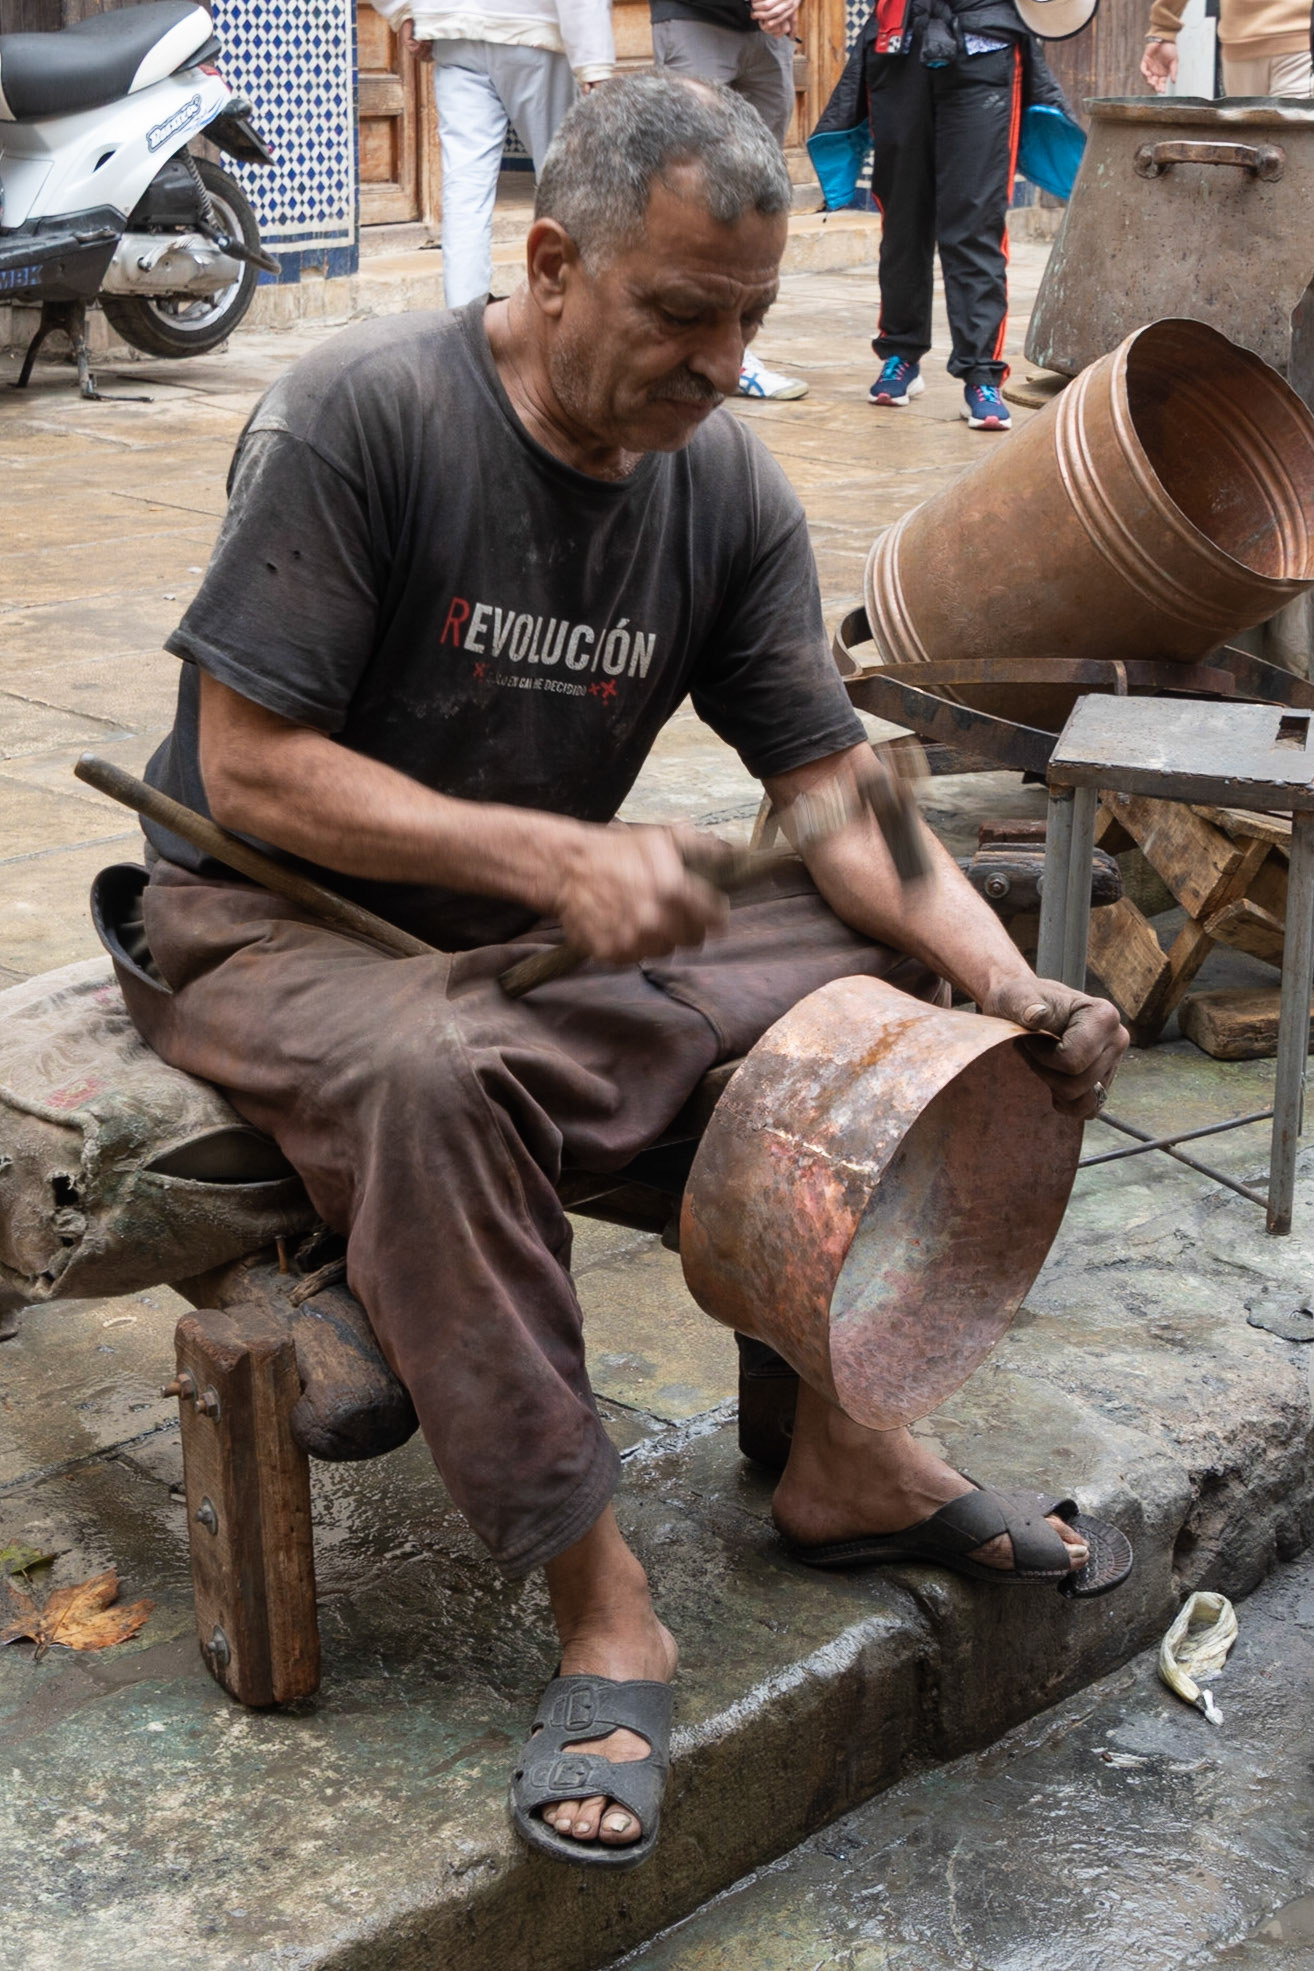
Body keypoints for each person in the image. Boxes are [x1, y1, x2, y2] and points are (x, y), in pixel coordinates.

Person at [109, 76, 1131, 1872]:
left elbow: (829, 788)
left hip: (519, 944)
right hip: (271, 919)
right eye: (676, 315)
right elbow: (251, 762)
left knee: (869, 976)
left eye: (746, 320)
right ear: (553, 261)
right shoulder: (363, 415)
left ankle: (846, 1455)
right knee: (439, 1078)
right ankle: (601, 1599)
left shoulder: (713, 480)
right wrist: (550, 855)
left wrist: (1009, 984)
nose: (719, 364)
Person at [858, 0, 1059, 431]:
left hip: (985, 42)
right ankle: (900, 354)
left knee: (974, 218)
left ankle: (981, 374)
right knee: (902, 216)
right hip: (900, 43)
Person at [373, 0, 614, 308]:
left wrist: (404, 10)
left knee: (465, 193)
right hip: (530, 30)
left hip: (456, 33)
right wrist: (594, 60)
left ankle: (464, 326)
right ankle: (568, 315)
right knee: (564, 186)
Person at [650, 0, 810, 399]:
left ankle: (735, 357)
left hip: (767, 34)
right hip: (693, 19)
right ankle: (668, 349)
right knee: (685, 193)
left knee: (760, 199)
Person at [1142, 0, 1313, 99]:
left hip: (1300, 43)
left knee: (1252, 146)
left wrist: (1163, 29)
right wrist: (1163, 30)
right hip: (1242, 46)